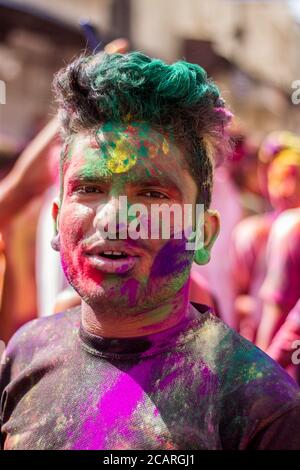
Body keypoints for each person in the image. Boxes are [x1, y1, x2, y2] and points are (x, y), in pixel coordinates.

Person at [1, 52, 300, 451]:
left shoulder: (260, 406)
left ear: (203, 233)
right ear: (57, 221)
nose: (113, 218)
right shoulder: (25, 353)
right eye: (89, 188)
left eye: (153, 193)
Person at [231, 139, 300, 342]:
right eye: (279, 179)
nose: (288, 189)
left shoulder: (289, 229)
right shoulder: (252, 233)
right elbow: (239, 295)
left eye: (296, 179)